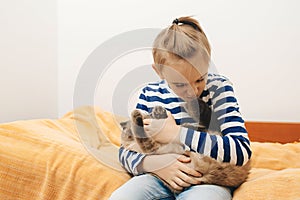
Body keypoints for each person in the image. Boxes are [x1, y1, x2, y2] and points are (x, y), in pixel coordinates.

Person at [109, 16, 252, 200]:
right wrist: (155, 164)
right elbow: (125, 151)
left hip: (206, 181)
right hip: (159, 176)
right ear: (159, 71)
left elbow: (240, 151)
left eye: (200, 79)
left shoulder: (219, 89)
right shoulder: (150, 94)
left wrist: (176, 133)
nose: (192, 91)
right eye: (181, 84)